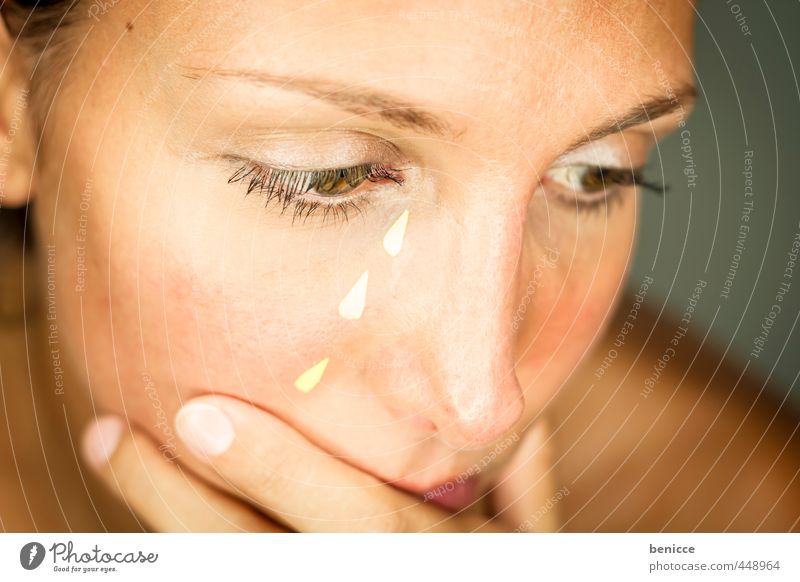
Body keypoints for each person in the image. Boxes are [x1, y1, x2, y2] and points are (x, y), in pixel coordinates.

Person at [0, 0, 797, 532]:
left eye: (595, 174)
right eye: (328, 177)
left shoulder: (743, 519)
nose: (482, 406)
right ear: (12, 107)